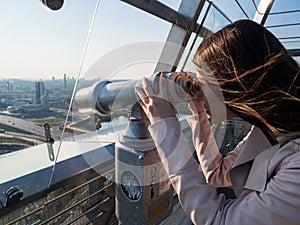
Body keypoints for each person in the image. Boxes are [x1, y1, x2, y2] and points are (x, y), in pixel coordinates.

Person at [135, 19, 300, 225]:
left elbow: (220, 220)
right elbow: (218, 174)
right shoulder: (269, 129)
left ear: (235, 85)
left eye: (202, 82)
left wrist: (166, 128)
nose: (198, 90)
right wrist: (198, 112)